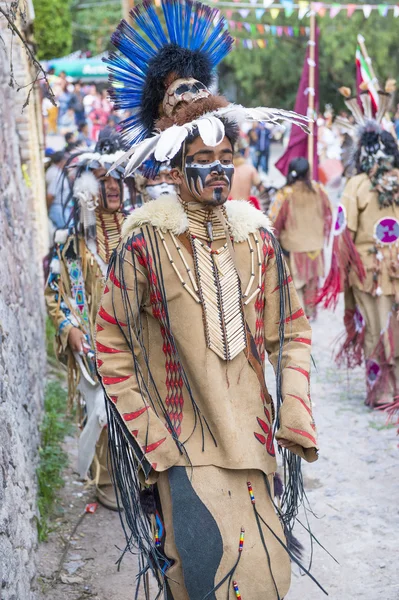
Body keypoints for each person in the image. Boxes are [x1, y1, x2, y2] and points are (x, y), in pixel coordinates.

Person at [95, 2, 319, 598]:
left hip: (252, 438)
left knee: (269, 577)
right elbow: (110, 337)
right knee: (202, 577)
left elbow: (292, 331)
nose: (219, 173)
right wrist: (152, 436)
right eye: (202, 162)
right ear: (173, 163)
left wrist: (293, 408)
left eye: (227, 160)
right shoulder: (146, 233)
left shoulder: (255, 231)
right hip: (182, 444)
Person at [45, 129, 126, 510]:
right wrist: (70, 328)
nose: (112, 186)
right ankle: (106, 477)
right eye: (104, 178)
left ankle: (137, 473)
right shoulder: (72, 242)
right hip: (94, 345)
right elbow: (53, 293)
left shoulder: (138, 234)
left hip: (133, 341)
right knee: (100, 411)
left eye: (118, 178)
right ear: (91, 185)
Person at [318, 83, 399, 408]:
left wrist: (342, 273)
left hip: (371, 272)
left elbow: (343, 234)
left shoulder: (356, 185)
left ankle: (382, 392)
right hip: (390, 268)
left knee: (375, 329)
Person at [269, 157, 332, 319]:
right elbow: (328, 213)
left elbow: (273, 221)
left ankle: (300, 319)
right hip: (315, 247)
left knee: (295, 286)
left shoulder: (285, 194)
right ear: (308, 172)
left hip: (293, 248)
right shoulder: (320, 190)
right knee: (312, 283)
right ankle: (310, 313)